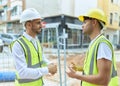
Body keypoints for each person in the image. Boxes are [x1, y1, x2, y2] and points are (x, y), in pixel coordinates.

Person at [66, 8, 118, 86]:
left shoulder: (102, 45)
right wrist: (78, 68)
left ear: (94, 22)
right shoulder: (94, 43)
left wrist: (76, 76)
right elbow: (93, 69)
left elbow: (104, 80)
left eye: (85, 22)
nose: (82, 26)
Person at [11, 8, 57, 86]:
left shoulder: (36, 41)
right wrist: (47, 69)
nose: (41, 25)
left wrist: (50, 64)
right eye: (38, 23)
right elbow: (22, 72)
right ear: (29, 25)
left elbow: (41, 59)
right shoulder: (18, 45)